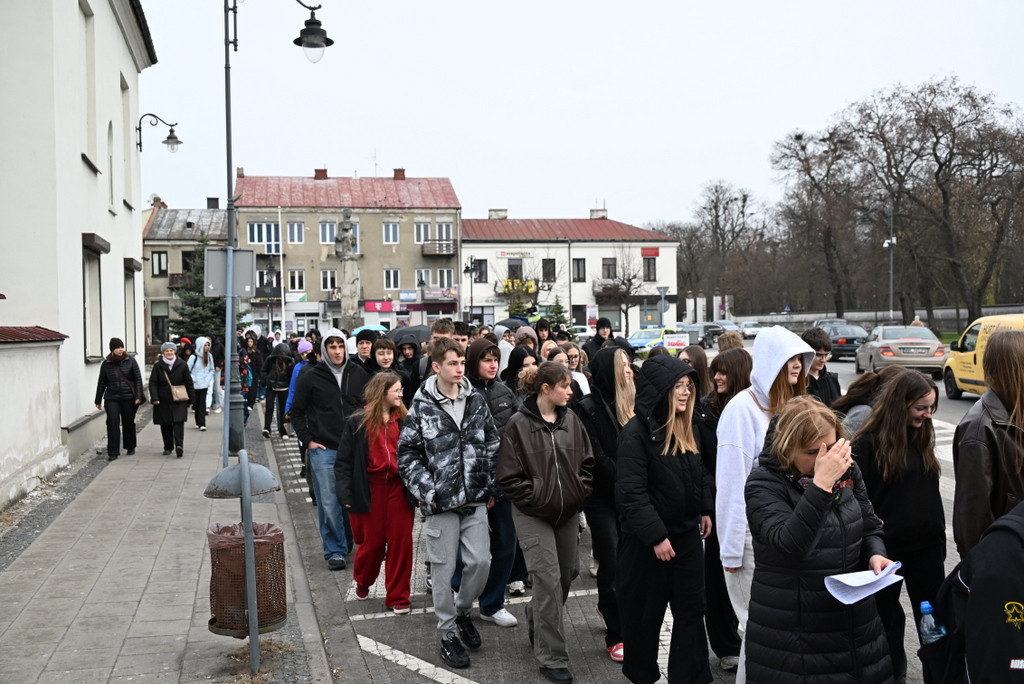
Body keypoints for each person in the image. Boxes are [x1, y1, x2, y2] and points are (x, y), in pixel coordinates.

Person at [744, 396, 894, 684]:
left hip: (856, 626)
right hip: (796, 635)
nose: (825, 459)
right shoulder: (762, 484)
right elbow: (788, 546)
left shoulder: (845, 468)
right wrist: (822, 485)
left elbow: (869, 524)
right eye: (813, 452)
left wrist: (876, 553)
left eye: (833, 447)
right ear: (787, 449)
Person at [715, 325, 813, 683]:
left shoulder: (794, 409)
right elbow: (730, 484)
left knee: (777, 632)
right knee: (759, 630)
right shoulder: (741, 411)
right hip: (750, 541)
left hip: (788, 538)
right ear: (772, 361)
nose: (798, 367)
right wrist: (731, 552)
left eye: (802, 359)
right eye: (790, 359)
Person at [397, 336, 501, 670]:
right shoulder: (422, 405)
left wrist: (489, 484)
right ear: (437, 366)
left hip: (474, 498)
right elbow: (407, 454)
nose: (459, 369)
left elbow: (493, 443)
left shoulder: (476, 400)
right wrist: (428, 491)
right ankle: (446, 634)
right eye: (452, 364)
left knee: (481, 562)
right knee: (443, 573)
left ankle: (461, 611)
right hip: (441, 504)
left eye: (461, 363)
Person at [616, 354, 713, 684]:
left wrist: (705, 508)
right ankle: (642, 676)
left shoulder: (689, 427)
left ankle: (691, 677)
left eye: (688, 385)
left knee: (692, 611)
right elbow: (631, 493)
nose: (685, 392)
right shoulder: (636, 433)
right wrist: (656, 536)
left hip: (685, 534)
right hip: (646, 544)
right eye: (677, 387)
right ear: (660, 390)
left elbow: (698, 475)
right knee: (645, 617)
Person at [498, 361, 594, 684]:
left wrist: (577, 492)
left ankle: (535, 616)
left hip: (566, 513)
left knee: (568, 574)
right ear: (545, 389)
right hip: (532, 513)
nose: (571, 391)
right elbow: (508, 479)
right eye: (565, 386)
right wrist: (539, 497)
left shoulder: (573, 422)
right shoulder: (517, 425)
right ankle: (552, 657)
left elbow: (587, 465)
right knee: (548, 579)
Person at [852, 369, 943, 684]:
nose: (927, 415)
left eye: (931, 407)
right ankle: (892, 676)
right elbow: (859, 500)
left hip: (927, 549)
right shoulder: (867, 443)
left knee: (933, 624)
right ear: (899, 404)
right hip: (885, 552)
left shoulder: (921, 434)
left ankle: (938, 674)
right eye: (921, 407)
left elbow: (928, 494)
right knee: (886, 621)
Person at [453, 337, 520, 628]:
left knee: (506, 544)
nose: (493, 364)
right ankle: (460, 596)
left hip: (503, 483)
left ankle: (492, 604)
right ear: (474, 361)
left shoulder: (506, 392)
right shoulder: (462, 393)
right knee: (467, 549)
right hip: (471, 485)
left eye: (495, 359)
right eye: (486, 359)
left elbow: (515, 438)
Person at [335, 371, 415, 614]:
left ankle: (398, 597)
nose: (401, 394)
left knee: (402, 542)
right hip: (370, 489)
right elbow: (343, 463)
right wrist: (346, 496)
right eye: (397, 390)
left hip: (399, 489)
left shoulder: (404, 420)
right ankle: (363, 579)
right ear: (383, 392)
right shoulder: (358, 422)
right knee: (373, 545)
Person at [290, 328, 369, 570]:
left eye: (340, 346)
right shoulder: (311, 376)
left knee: (351, 499)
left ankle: (346, 542)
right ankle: (334, 550)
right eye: (332, 346)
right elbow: (296, 411)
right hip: (324, 449)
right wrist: (308, 440)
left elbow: (369, 405)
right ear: (324, 349)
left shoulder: (358, 373)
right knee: (329, 501)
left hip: (355, 448)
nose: (337, 351)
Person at [694, 347, 751, 672]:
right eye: (715, 370)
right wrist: (706, 507)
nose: (716, 377)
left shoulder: (756, 407)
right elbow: (701, 464)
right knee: (718, 576)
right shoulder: (705, 411)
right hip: (719, 505)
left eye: (724, 372)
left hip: (754, 504)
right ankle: (726, 644)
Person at [577, 347, 634, 663]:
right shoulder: (588, 407)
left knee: (630, 560)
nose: (628, 370)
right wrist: (627, 477)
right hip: (601, 496)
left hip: (631, 496)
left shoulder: (636, 403)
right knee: (611, 556)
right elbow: (596, 456)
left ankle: (612, 605)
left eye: (629, 365)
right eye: (622, 365)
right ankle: (617, 633)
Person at [953, 328, 1024, 557]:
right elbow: (972, 520)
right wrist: (981, 575)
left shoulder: (1016, 409)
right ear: (1015, 368)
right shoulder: (979, 428)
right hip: (1007, 558)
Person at [94, 337, 143, 460]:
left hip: (128, 397)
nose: (121, 350)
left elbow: (138, 379)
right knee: (112, 422)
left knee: (128, 422)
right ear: (112, 349)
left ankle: (130, 446)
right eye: (118, 347)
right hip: (112, 398)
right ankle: (113, 452)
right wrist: (98, 400)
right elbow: (102, 382)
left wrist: (138, 396)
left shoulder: (130, 361)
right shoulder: (106, 364)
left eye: (122, 347)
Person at [149, 341, 195, 458]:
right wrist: (155, 397)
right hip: (163, 399)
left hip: (179, 398)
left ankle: (179, 445)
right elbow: (153, 383)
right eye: (167, 351)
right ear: (163, 353)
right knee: (166, 424)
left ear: (174, 351)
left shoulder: (182, 364)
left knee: (179, 422)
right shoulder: (158, 366)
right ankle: (168, 447)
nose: (169, 353)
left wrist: (191, 399)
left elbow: (188, 382)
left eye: (171, 350)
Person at [261, 341, 295, 439]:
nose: (281, 358)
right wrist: (266, 379)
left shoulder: (290, 362)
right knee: (269, 408)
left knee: (283, 409)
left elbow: (292, 375)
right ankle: (267, 428)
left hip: (284, 388)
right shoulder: (270, 360)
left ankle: (283, 431)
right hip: (271, 386)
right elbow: (263, 370)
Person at [801, 327, 841, 407]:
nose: (823, 360)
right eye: (819, 355)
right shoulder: (796, 381)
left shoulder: (832, 379)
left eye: (826, 355)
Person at [187, 336, 217, 432]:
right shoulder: (193, 357)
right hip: (195, 384)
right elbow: (187, 370)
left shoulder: (209, 356)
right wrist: (193, 379)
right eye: (205, 345)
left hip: (204, 383)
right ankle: (198, 422)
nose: (207, 347)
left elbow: (212, 369)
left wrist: (208, 379)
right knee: (196, 403)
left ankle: (202, 424)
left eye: (208, 345)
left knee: (202, 403)